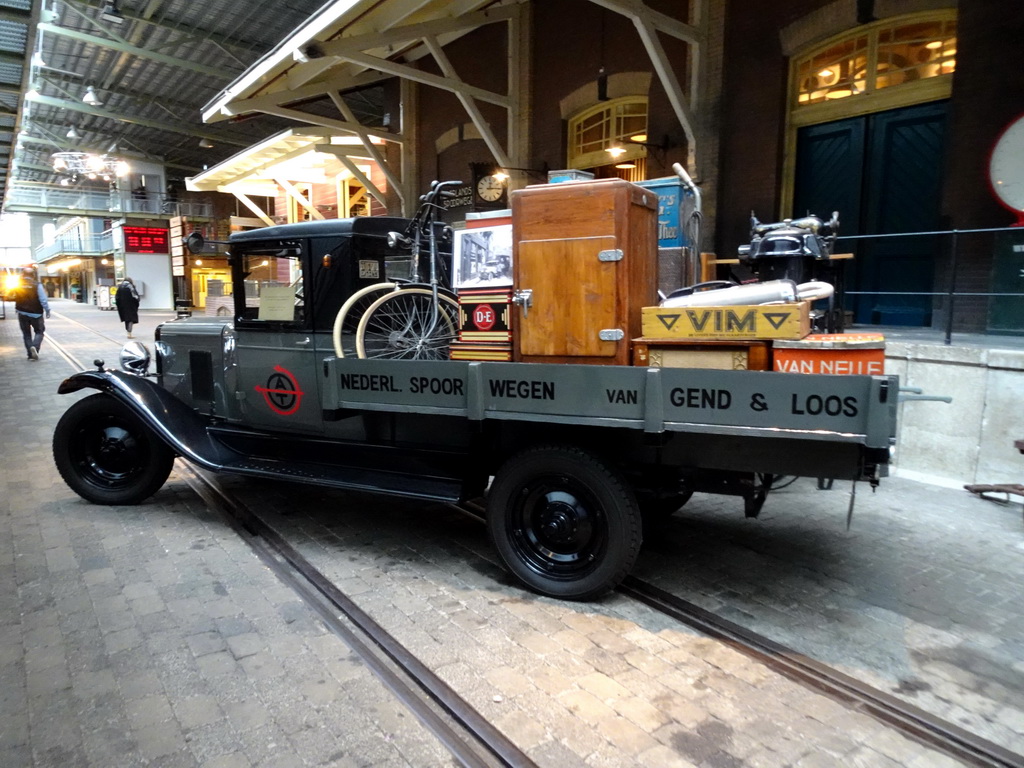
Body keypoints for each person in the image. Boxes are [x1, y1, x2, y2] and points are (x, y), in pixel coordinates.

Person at [13, 267, 50, 361]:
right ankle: (35, 347)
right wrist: (47, 310)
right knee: (39, 331)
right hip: (36, 313)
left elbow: (14, 296)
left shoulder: (18, 285)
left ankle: (30, 355)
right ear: (33, 275)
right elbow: (43, 299)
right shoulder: (37, 285)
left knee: (26, 334)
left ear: (23, 275)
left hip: (22, 312)